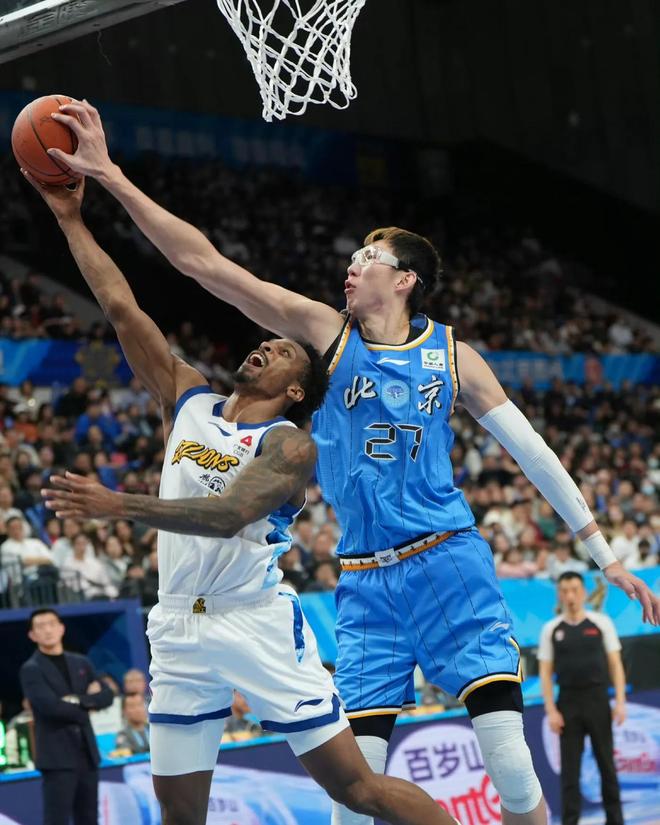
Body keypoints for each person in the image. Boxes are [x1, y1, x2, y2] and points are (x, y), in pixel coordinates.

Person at [48, 99, 660, 825]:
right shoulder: (325, 335)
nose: (352, 265)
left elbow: (533, 452)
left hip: (446, 557)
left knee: (507, 755)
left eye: (368, 259)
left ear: (405, 280)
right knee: (355, 796)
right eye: (352, 258)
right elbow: (202, 264)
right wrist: (110, 176)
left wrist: (600, 552)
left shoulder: (454, 356)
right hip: (365, 577)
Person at [30, 173, 457, 825]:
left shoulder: (290, 445)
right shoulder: (189, 400)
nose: (264, 346)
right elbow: (120, 306)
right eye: (264, 343)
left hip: (253, 622)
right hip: (177, 623)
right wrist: (69, 219)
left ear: (296, 390)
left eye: (281, 350)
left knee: (357, 788)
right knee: (180, 815)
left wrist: (120, 505)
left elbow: (228, 514)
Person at [538, 572, 625, 825]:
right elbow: (545, 672)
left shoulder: (601, 623)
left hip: (597, 699)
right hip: (568, 704)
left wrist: (620, 702)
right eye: (565, 591)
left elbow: (615, 664)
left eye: (575, 590)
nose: (570, 596)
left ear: (584, 592)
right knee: (570, 771)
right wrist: (551, 710)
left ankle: (615, 820)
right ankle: (570, 821)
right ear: (559, 595)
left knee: (606, 765)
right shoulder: (551, 629)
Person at [19, 608, 114, 825]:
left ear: (61, 628)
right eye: (41, 626)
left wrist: (76, 700)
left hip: (87, 754)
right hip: (57, 758)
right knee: (57, 820)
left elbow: (107, 695)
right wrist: (88, 703)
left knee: (89, 818)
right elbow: (50, 707)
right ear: (32, 635)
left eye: (52, 624)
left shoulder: (81, 662)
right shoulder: (31, 669)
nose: (48, 630)